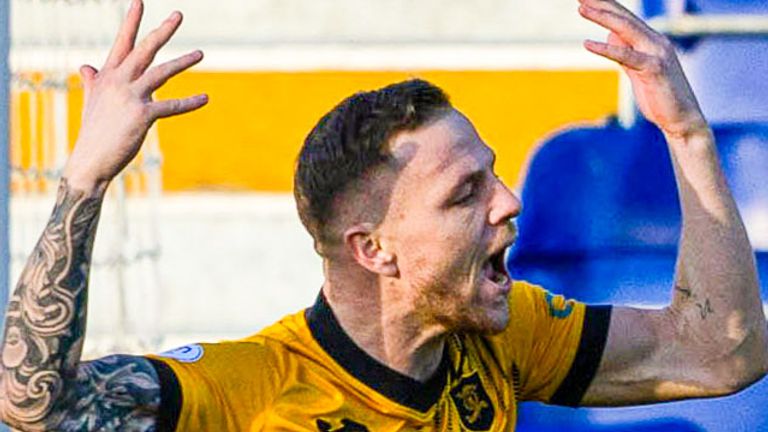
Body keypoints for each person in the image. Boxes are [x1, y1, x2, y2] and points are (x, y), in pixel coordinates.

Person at [1, 0, 766, 430]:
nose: (509, 203)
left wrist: (688, 135)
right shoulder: (256, 393)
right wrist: (84, 182)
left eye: (494, 176)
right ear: (374, 249)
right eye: (466, 194)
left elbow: (720, 353)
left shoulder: (507, 337)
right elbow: (34, 407)